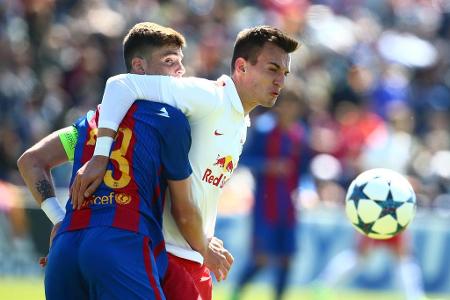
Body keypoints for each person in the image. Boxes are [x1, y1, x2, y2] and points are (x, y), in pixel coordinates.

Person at [70, 25, 300, 300]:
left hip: (191, 256)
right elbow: (120, 84)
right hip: (170, 256)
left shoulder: (240, 118)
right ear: (242, 66)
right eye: (272, 69)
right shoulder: (209, 97)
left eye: (284, 73)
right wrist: (100, 155)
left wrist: (204, 238)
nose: (280, 81)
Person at [17, 22, 216, 300]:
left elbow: (31, 160)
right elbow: (182, 210)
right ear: (139, 67)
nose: (179, 71)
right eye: (170, 61)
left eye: (181, 62)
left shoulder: (90, 123)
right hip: (121, 245)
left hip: (66, 249)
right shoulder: (169, 119)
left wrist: (59, 218)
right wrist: (206, 250)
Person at [232, 89, 309, 300]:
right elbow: (244, 158)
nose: (290, 109)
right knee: (261, 258)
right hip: (265, 205)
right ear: (279, 105)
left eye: (294, 105)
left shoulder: (299, 133)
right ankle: (236, 293)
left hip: (289, 206)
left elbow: (303, 169)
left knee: (286, 258)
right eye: (286, 104)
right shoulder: (264, 129)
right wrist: (269, 166)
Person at [315, 232, 427, 300]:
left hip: (390, 211)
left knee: (402, 256)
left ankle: (414, 296)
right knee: (360, 255)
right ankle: (323, 285)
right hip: (381, 211)